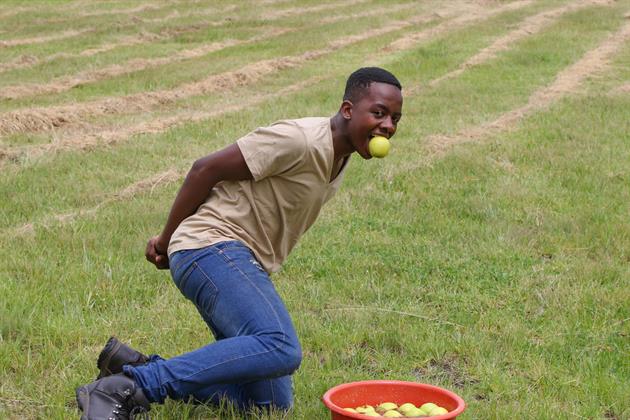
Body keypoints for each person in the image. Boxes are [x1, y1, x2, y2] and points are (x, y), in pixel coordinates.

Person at [75, 67, 403, 419]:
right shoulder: (299, 139)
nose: (387, 126)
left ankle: (131, 366)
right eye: (379, 113)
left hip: (231, 257)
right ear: (348, 109)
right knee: (280, 345)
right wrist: (166, 240)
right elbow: (206, 169)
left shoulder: (341, 153)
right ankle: (131, 387)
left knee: (270, 405)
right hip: (211, 246)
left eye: (395, 119)